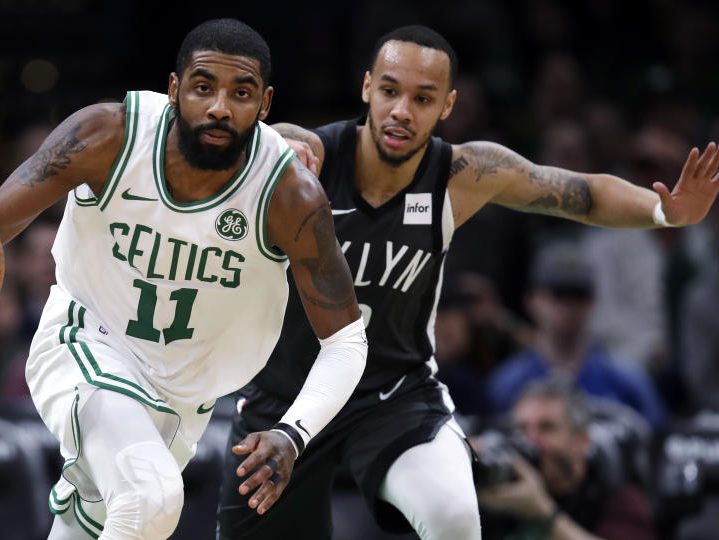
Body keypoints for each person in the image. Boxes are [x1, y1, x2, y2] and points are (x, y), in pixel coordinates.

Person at [0, 19, 367, 540]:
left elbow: (347, 341)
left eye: (240, 93)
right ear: (174, 89)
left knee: (117, 517)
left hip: (182, 402)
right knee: (152, 495)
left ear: (264, 105)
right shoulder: (107, 136)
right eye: (203, 87)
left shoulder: (289, 196)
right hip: (86, 342)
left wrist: (293, 432)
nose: (219, 106)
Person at [217, 25, 719, 540]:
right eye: (390, 91)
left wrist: (664, 210)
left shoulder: (461, 173)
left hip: (392, 398)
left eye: (423, 98)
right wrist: (276, 142)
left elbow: (583, 193)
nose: (402, 111)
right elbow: (251, 143)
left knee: (452, 516)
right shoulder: (306, 161)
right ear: (367, 87)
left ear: (448, 105)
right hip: (287, 399)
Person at [486, 242, 667, 428]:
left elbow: (657, 443)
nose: (568, 307)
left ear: (593, 303)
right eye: (558, 295)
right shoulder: (505, 384)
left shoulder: (628, 382)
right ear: (533, 301)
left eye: (578, 296)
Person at [478, 378, 655, 540]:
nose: (530, 441)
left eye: (547, 428)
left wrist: (542, 513)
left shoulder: (617, 497)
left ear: (582, 440)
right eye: (522, 429)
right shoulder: (500, 492)